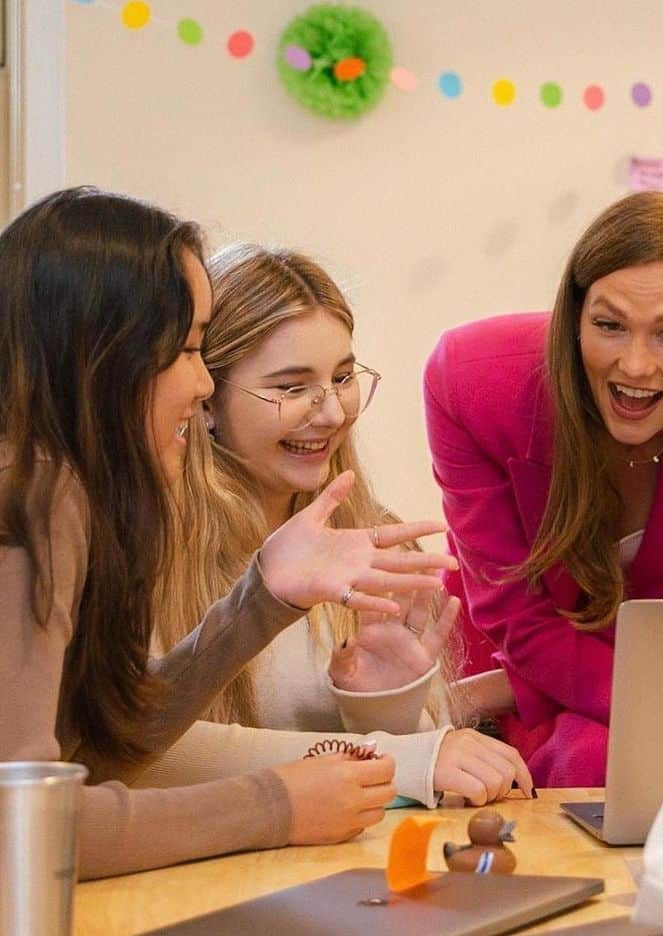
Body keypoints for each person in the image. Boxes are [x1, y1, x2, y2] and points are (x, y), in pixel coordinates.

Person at [0, 188, 455, 879]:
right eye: (185, 349)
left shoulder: (66, 495)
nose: (201, 384)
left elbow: (104, 743)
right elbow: (24, 829)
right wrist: (274, 802)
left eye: (342, 376)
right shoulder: (36, 498)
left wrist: (265, 596)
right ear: (106, 359)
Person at [423, 191, 663, 785]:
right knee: (592, 761)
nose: (634, 365)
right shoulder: (472, 381)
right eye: (608, 325)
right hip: (531, 647)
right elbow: (519, 619)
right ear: (574, 316)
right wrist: (646, 710)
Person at [141, 244, 531, 807]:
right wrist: (390, 755)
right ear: (206, 399)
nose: (331, 414)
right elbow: (137, 749)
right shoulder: (147, 548)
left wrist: (386, 705)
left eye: (343, 378)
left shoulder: (375, 538)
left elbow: (434, 784)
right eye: (291, 387)